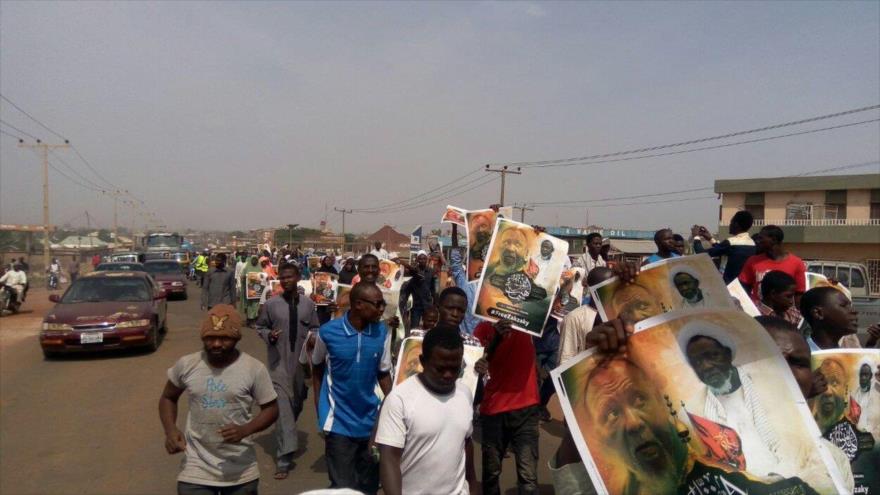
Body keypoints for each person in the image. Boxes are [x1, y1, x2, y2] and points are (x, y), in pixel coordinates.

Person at [578, 355, 819, 494]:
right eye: (611, 414)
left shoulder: (722, 472)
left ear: (664, 402)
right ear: (600, 441)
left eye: (639, 399)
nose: (633, 424)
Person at [158, 305, 279, 495]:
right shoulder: (187, 365)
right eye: (210, 338)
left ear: (236, 338)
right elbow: (168, 397)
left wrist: (245, 430)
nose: (216, 344)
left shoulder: (253, 369)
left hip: (240, 470)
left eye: (224, 339)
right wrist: (171, 430)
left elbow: (271, 409)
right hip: (195, 469)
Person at [310, 282, 393, 493]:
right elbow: (317, 367)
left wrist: (395, 407)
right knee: (343, 488)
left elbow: (383, 373)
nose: (382, 309)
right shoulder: (328, 332)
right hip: (338, 424)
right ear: (358, 304)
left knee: (369, 486)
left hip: (371, 425)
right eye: (378, 304)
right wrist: (319, 409)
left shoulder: (382, 333)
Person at [376, 324, 477, 495]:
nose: (448, 375)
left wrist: (473, 486)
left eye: (454, 369)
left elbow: (465, 443)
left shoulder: (465, 393)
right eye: (440, 368)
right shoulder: (399, 400)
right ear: (423, 361)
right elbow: (389, 459)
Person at [758, 317, 855, 493]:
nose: (787, 372)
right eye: (772, 358)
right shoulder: (707, 448)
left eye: (799, 364)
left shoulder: (833, 458)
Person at [680, 326, 782, 477]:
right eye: (698, 363)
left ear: (727, 354)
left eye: (712, 356)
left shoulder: (765, 381)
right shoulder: (697, 408)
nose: (706, 366)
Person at [255, 262, 320, 479]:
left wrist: (313, 338)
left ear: (298, 277)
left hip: (301, 366)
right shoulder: (272, 305)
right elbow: (260, 326)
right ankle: (284, 458)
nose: (285, 281)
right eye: (282, 278)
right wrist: (269, 335)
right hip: (278, 364)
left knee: (296, 403)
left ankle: (287, 435)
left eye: (290, 277)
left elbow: (315, 327)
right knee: (282, 408)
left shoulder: (308, 305)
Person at [473, 319, 540, 495]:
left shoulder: (527, 321)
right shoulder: (482, 328)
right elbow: (477, 364)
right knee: (491, 474)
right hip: (494, 410)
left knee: (528, 479)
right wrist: (496, 338)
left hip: (527, 408)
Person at [738, 225, 806, 303]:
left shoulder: (796, 263)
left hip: (785, 312)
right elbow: (744, 289)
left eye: (761, 238)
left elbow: (799, 293)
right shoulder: (752, 261)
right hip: (759, 311)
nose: (757, 241)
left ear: (773, 240)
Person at [692, 211, 756, 283]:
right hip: (744, 286)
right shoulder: (752, 243)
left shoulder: (731, 243)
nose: (730, 225)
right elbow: (722, 249)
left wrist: (696, 237)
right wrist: (710, 239)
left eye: (731, 222)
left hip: (729, 286)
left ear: (736, 224)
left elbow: (702, 253)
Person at [398, 251, 436, 329]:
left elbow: (433, 288)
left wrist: (434, 303)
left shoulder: (430, 271)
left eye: (424, 259)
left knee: (428, 327)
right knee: (414, 327)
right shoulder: (413, 271)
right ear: (417, 260)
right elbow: (414, 275)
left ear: (427, 259)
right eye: (420, 259)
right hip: (416, 305)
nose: (422, 261)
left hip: (427, 304)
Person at [240, 256, 263, 326]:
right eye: (253, 260)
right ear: (250, 260)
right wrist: (244, 277)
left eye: (256, 260)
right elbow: (242, 276)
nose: (254, 261)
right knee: (249, 305)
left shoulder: (259, 268)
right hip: (249, 291)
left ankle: (254, 319)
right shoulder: (247, 267)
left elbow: (262, 277)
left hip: (257, 290)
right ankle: (250, 319)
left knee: (256, 305)